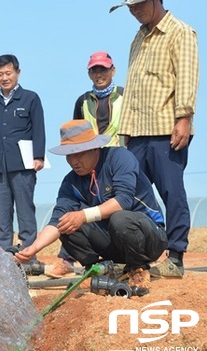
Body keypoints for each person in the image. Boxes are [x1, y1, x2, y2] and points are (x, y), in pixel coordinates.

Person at [14, 120, 167, 290]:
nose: (73, 161)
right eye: (69, 155)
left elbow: (123, 201)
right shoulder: (70, 182)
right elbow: (57, 220)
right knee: (66, 223)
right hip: (115, 243)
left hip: (148, 239)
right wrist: (34, 248)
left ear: (95, 148)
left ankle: (138, 268)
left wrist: (83, 215)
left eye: (78, 154)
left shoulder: (120, 158)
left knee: (119, 218)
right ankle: (99, 270)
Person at [111, 0, 199, 278]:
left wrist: (183, 118)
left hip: (165, 129)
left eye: (139, 5)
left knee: (171, 192)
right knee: (131, 195)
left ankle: (175, 256)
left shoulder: (180, 32)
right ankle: (137, 257)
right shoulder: (138, 37)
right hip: (136, 132)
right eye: (130, 7)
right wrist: (126, 132)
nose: (134, 11)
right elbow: (135, 87)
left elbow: (186, 78)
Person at [46, 51, 125, 279]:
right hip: (91, 162)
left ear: (113, 70)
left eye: (103, 69)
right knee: (77, 209)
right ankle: (68, 259)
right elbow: (75, 133)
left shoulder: (125, 96)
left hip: (116, 159)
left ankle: (133, 259)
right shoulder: (83, 101)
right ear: (89, 73)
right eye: (94, 70)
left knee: (121, 208)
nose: (99, 74)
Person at [0, 54, 46, 273]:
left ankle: (28, 255)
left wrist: (39, 157)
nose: (4, 78)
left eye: (8, 73)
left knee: (25, 211)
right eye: (0, 74)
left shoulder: (30, 99)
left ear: (18, 73)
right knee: (2, 214)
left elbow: (38, 129)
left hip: (24, 164)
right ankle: (5, 258)